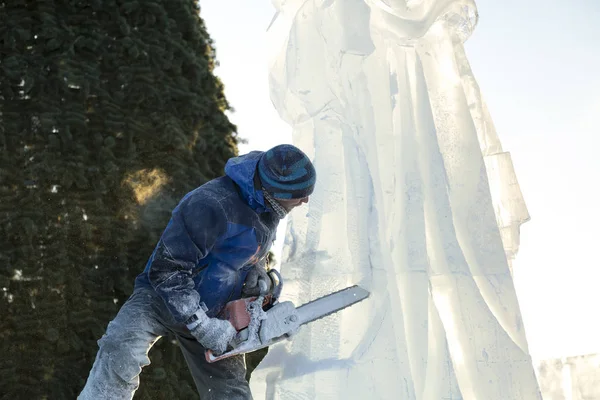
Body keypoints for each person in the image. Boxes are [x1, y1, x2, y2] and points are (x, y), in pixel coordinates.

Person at [78, 144, 316, 400]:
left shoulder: (271, 206)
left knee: (231, 395)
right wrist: (201, 324)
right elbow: (167, 269)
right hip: (160, 299)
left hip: (217, 313)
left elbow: (250, 249)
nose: (305, 201)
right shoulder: (210, 205)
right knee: (120, 347)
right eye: (299, 195)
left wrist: (257, 270)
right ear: (274, 190)